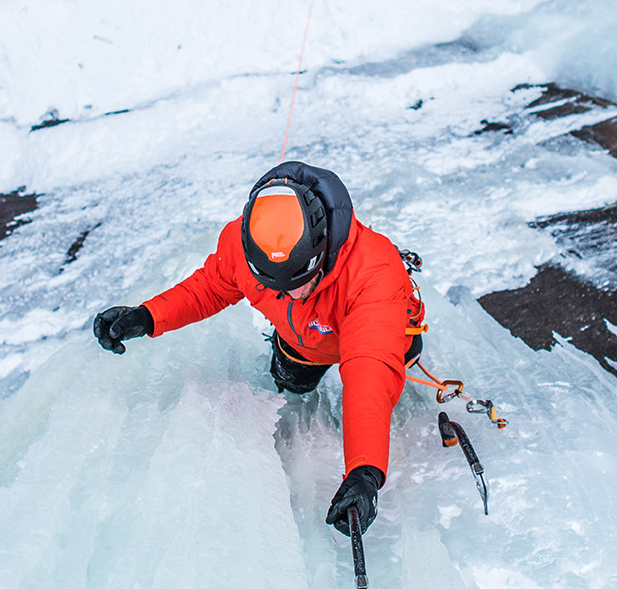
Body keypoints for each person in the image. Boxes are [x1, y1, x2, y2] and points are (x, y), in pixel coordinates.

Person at [93, 162, 424, 538]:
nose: (292, 296)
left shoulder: (373, 271)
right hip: (307, 341)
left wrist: (365, 471)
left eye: (303, 282)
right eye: (278, 288)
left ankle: (406, 370)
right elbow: (211, 287)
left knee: (394, 372)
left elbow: (368, 370)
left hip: (382, 330)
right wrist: (147, 316)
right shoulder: (242, 241)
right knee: (292, 383)